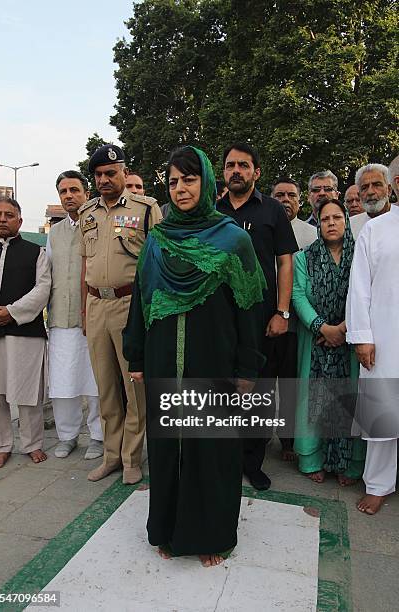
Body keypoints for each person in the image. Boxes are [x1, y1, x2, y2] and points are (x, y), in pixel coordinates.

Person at [123, 146, 266, 566]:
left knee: (211, 451)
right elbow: (142, 302)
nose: (180, 188)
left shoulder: (233, 239)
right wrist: (136, 358)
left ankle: (211, 535)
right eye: (172, 181)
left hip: (214, 359)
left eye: (189, 179)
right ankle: (169, 529)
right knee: (170, 448)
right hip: (164, 357)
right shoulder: (158, 239)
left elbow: (249, 306)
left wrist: (247, 365)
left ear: (205, 182)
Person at [79, 144, 162, 483]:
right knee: (106, 387)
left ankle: (131, 459)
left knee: (133, 387)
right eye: (98, 175)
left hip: (132, 307)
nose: (104, 179)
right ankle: (111, 455)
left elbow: (158, 264)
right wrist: (84, 312)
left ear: (124, 173)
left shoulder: (146, 208)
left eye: (110, 173)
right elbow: (85, 265)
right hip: (96, 304)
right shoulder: (87, 212)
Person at [217, 143, 298, 488]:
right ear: (223, 172)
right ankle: (223, 460)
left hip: (262, 319)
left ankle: (252, 463)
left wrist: (282, 311)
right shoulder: (212, 211)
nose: (237, 170)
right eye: (231, 165)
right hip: (219, 318)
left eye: (244, 165)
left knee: (258, 392)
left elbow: (285, 262)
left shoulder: (273, 211)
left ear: (256, 172)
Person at [292, 198, 365, 484]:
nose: (331, 223)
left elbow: (365, 293)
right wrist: (322, 327)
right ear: (318, 224)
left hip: (350, 338)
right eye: (325, 219)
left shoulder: (360, 254)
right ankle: (312, 459)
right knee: (314, 398)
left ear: (346, 221)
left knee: (350, 398)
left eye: (337, 217)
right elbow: (297, 294)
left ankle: (351, 463)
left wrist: (344, 329)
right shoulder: (304, 257)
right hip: (315, 340)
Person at [346, 189, 399, 515]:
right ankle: (378, 485)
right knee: (383, 414)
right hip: (386, 337)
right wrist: (362, 337)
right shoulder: (376, 228)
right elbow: (360, 286)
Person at [0, 197, 51, 468]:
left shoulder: (36, 253)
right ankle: (1, 445)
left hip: (25, 332)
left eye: (9, 215)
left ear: (20, 221)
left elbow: (42, 289)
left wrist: (11, 312)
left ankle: (32, 444)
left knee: (28, 393)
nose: (3, 219)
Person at [47, 170, 102, 460]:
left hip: (94, 317)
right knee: (63, 382)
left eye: (74, 190)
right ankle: (67, 436)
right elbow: (45, 277)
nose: (69, 196)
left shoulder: (98, 225)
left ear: (86, 193)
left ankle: (98, 436)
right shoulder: (54, 233)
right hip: (60, 319)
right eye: (63, 191)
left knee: (95, 381)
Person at [271, 177, 316, 460]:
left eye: (291, 195)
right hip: (264, 319)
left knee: (290, 383)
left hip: (295, 323)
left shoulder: (311, 235)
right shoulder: (264, 226)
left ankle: (287, 441)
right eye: (279, 195)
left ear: (300, 200)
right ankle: (258, 436)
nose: (285, 200)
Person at [350, 163, 391, 239]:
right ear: (359, 195)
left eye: (377, 185)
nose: (370, 192)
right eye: (364, 187)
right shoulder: (350, 226)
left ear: (389, 190)